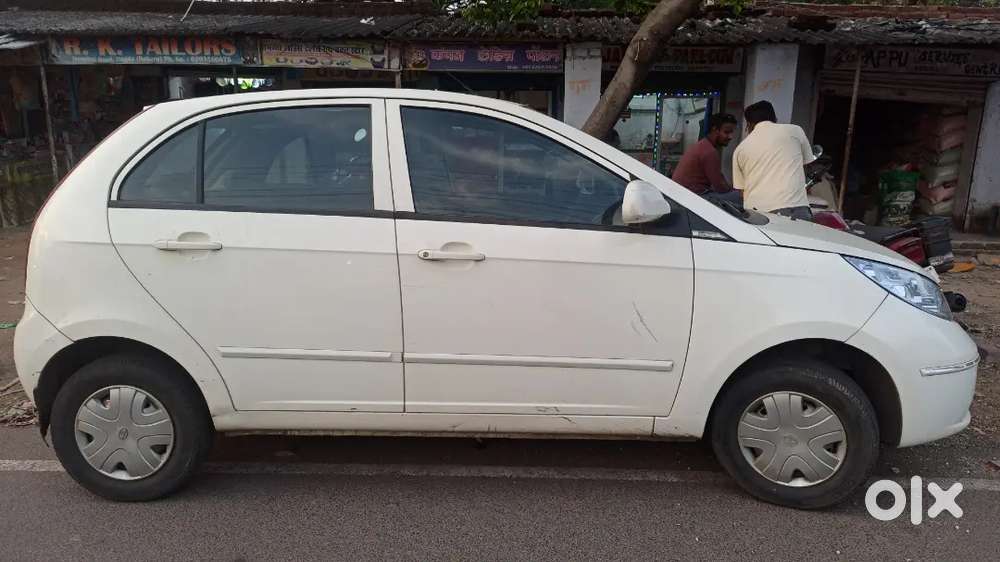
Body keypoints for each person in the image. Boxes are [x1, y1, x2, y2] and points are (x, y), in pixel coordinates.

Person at [732, 100, 817, 220]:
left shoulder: (740, 150)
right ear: (775, 119)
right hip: (798, 209)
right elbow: (806, 166)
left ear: (749, 124)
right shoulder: (795, 131)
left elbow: (742, 192)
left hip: (761, 215)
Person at [670, 113, 742, 206]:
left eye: (731, 132)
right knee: (739, 196)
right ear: (715, 129)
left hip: (684, 195)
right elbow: (720, 187)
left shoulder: (702, 145)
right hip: (693, 197)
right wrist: (736, 191)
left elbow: (719, 178)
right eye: (726, 132)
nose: (730, 137)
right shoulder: (709, 152)